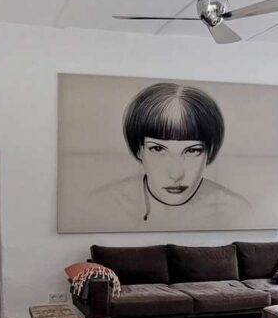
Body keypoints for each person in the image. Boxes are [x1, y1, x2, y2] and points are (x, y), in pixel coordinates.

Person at [88, 82, 250, 226]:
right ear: (139, 149)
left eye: (192, 151)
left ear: (210, 152)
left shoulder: (236, 210)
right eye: (158, 149)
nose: (176, 174)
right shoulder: (104, 204)